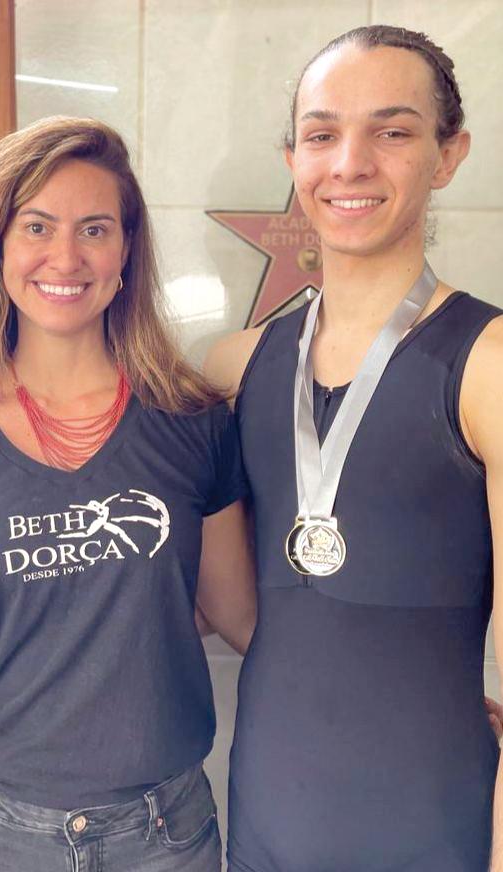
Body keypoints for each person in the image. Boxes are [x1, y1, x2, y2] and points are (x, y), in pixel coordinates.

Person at [0, 117, 255, 871]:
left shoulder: (192, 424)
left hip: (164, 835)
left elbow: (241, 615)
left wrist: (401, 683)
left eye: (94, 229)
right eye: (38, 227)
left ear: (126, 253)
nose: (66, 256)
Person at [205, 25, 502, 871]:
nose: (351, 163)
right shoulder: (236, 367)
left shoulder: (487, 367)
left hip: (433, 832)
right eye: (324, 134)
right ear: (294, 156)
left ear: (449, 156)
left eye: (394, 132)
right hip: (263, 828)